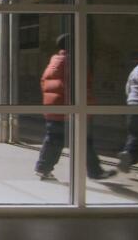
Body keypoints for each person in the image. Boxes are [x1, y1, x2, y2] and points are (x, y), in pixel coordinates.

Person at [35, 33, 116, 181]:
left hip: (54, 108)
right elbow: (80, 86)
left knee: (54, 139)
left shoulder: (55, 61)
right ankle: (95, 171)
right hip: (70, 109)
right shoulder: (73, 62)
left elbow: (44, 83)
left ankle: (43, 168)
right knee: (84, 141)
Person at [117, 46, 138, 172]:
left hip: (134, 106)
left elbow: (128, 88)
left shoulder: (137, 69)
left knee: (135, 136)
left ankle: (128, 154)